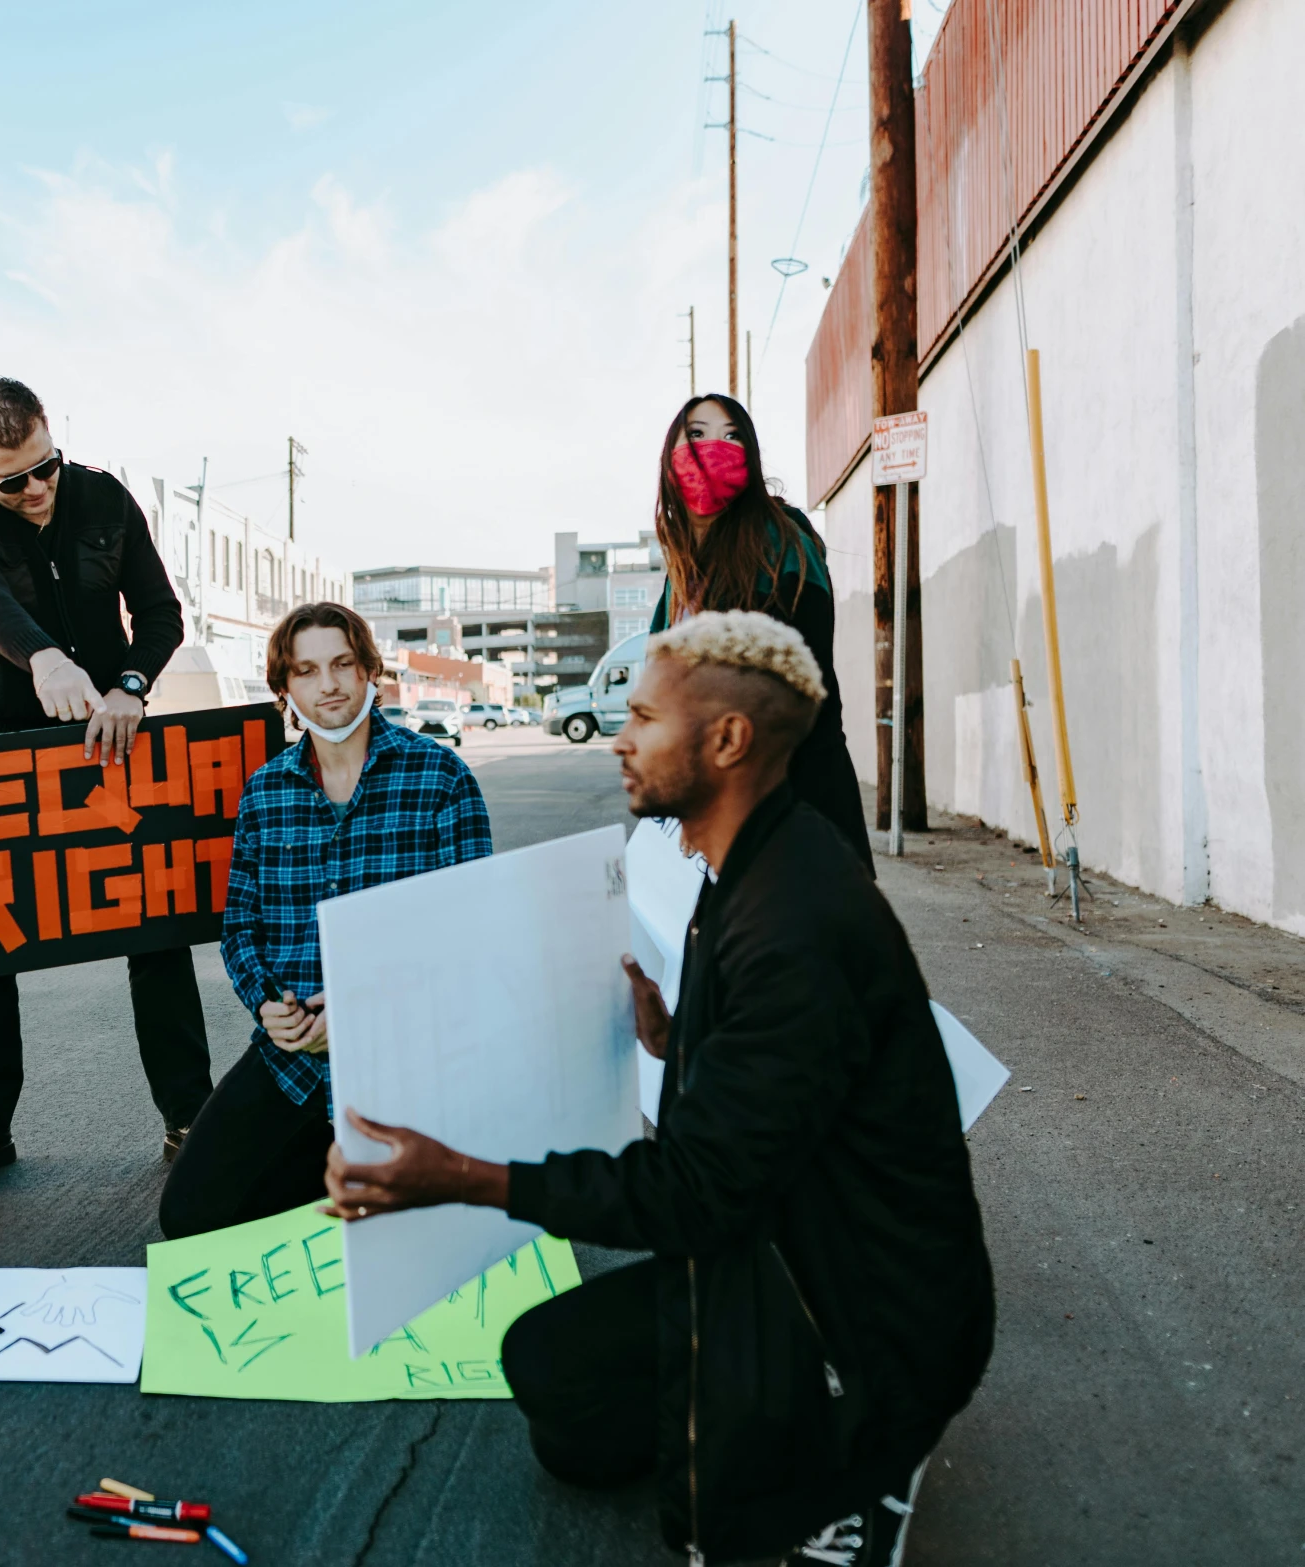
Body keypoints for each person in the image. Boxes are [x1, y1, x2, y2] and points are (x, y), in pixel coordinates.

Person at [320, 611, 994, 1567]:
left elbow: (694, 1192)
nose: (621, 736)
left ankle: (860, 1446)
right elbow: (784, 1094)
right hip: (798, 1242)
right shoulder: (756, 859)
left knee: (707, 1528)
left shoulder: (794, 921)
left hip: (868, 1314)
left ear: (726, 740)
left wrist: (456, 1175)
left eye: (643, 716)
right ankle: (778, 1422)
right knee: (553, 1385)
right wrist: (678, 1036)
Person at [0, 376, 210, 1190]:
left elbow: (159, 613)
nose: (37, 488)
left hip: (114, 732)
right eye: (13, 479)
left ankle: (190, 1114)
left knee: (156, 922)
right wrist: (43, 656)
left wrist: (128, 684)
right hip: (8, 736)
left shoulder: (107, 499)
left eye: (47, 466)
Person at [158, 603, 491, 1239]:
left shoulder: (441, 777)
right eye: (307, 671)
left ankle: (370, 1187)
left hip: (409, 1055)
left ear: (371, 673)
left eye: (342, 664)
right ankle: (338, 1178)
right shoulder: (265, 791)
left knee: (441, 1231)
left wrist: (365, 1009)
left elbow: (472, 934)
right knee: (191, 1216)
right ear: (285, 691)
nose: (329, 685)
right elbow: (240, 929)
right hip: (296, 1057)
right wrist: (265, 1007)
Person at [651, 392, 873, 872]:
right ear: (671, 458)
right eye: (697, 434)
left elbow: (792, 694)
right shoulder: (682, 571)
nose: (715, 446)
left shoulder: (782, 543)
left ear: (749, 459)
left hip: (791, 812)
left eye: (733, 436)